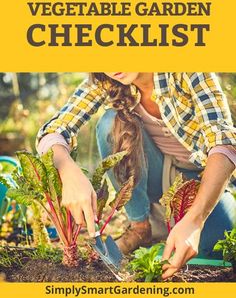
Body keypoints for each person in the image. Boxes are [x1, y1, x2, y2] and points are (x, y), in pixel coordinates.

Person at [36, 72, 236, 279]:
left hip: (200, 182)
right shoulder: (105, 78)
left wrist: (195, 220)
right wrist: (68, 171)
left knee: (215, 248)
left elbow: (225, 144)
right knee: (110, 124)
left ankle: (176, 222)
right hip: (156, 178)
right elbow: (52, 131)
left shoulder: (188, 70)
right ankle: (141, 227)